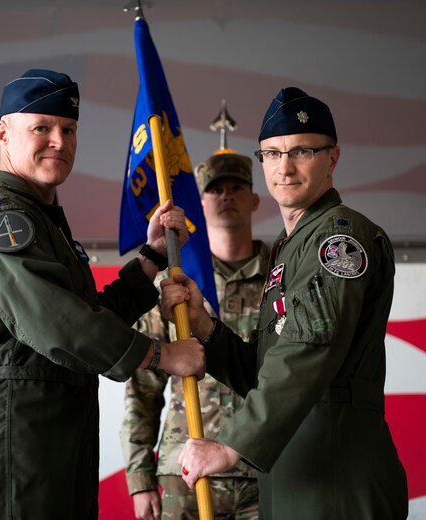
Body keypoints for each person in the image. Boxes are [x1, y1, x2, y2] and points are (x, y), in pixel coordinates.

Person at [0, 68, 205, 520]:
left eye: (69, 129)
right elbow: (58, 322)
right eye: (42, 127)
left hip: (48, 438)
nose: (59, 140)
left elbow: (87, 312)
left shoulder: (42, 221)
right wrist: (162, 356)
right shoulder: (0, 220)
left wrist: (150, 260)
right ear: (3, 133)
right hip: (11, 436)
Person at [160, 87, 409, 519]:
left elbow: (306, 351)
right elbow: (267, 368)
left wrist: (230, 444)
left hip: (335, 474)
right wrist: (204, 327)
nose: (284, 168)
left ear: (332, 158)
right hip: (294, 468)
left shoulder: (338, 240)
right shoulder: (291, 246)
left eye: (302, 152)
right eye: (272, 155)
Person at [121, 149, 270, 520]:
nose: (226, 196)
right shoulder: (178, 284)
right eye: (215, 189)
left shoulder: (279, 277)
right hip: (185, 473)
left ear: (254, 200)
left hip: (263, 467)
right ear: (199, 203)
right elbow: (143, 386)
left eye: (237, 187)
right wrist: (139, 479)